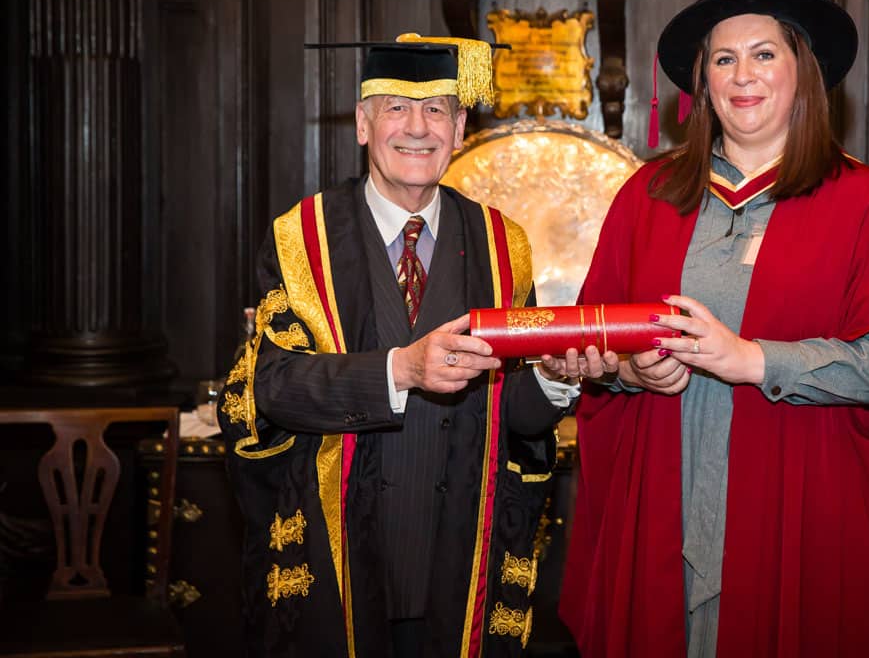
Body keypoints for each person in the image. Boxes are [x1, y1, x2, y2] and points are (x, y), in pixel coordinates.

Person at [557, 0, 869, 657]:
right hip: (662, 489)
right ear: (700, 83)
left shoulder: (865, 202)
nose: (743, 75)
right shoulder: (648, 196)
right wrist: (630, 371)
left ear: (804, 72)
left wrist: (751, 358)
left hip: (797, 498)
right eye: (723, 59)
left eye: (765, 54)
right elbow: (598, 335)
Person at [217, 35, 607, 657]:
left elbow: (517, 416)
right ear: (363, 124)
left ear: (459, 129)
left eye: (437, 112)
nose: (417, 128)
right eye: (396, 108)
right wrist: (401, 369)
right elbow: (275, 386)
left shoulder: (503, 246)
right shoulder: (304, 238)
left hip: (457, 555)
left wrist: (558, 379)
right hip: (340, 552)